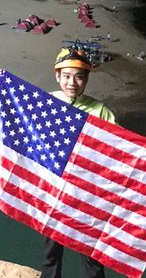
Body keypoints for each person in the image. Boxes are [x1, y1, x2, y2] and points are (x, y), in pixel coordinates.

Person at [41, 46, 116, 278]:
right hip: (55, 188)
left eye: (78, 77)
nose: (71, 83)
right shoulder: (45, 103)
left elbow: (119, 150)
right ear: (57, 76)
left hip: (87, 192)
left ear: (86, 79)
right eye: (66, 76)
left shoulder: (101, 111)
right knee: (51, 250)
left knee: (91, 253)